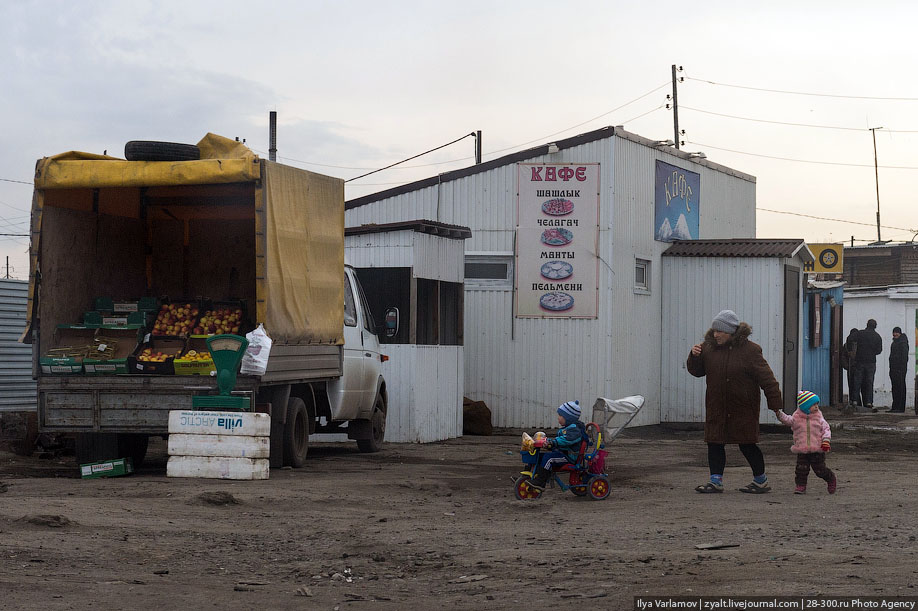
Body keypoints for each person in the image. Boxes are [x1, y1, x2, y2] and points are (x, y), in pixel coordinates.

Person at [687, 309, 783, 494]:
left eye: (720, 331)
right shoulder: (708, 348)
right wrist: (694, 356)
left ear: (731, 332)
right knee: (714, 442)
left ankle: (760, 480)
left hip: (743, 407)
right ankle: (715, 481)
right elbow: (697, 371)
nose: (716, 335)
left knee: (747, 444)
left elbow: (768, 380)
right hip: (717, 406)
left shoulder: (751, 351)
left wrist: (776, 406)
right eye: (714, 331)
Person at [774, 391, 836, 495]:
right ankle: (801, 486)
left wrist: (826, 440)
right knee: (801, 469)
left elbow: (826, 429)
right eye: (813, 405)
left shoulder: (819, 418)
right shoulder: (796, 417)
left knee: (820, 470)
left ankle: (830, 478)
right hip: (802, 448)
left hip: (817, 449)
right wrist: (779, 414)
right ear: (805, 407)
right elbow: (787, 420)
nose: (816, 407)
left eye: (817, 404)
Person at [526, 400, 587, 491]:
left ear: (569, 417)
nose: (558, 418)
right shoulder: (567, 428)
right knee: (537, 456)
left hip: (568, 457)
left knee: (548, 458)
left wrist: (553, 443)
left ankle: (540, 482)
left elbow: (566, 440)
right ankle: (526, 476)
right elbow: (559, 441)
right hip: (561, 453)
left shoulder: (574, 430)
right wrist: (548, 442)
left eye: (560, 416)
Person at [850, 319, 883, 411]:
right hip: (871, 362)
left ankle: (855, 400)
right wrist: (872, 353)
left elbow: (850, 338)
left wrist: (853, 350)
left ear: (867, 325)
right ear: (875, 326)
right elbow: (879, 350)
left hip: (860, 360)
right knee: (869, 382)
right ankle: (869, 402)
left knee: (857, 381)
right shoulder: (877, 336)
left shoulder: (860, 333)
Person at [889, 326, 909, 413]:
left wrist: (901, 367)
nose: (895, 334)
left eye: (896, 332)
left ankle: (900, 407)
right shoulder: (895, 343)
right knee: (895, 387)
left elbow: (904, 358)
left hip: (900, 369)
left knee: (900, 387)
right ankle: (895, 406)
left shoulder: (903, 343)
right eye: (894, 332)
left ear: (900, 333)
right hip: (893, 369)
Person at [843, 327, 859, 409]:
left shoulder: (846, 345)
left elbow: (843, 356)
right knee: (857, 384)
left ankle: (853, 400)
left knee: (852, 384)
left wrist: (846, 366)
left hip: (851, 366)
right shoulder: (860, 344)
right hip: (856, 366)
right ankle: (856, 401)